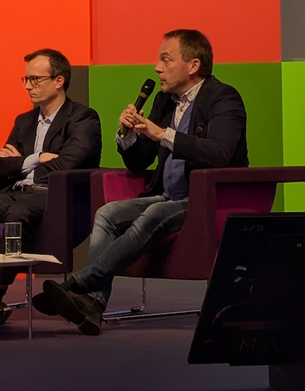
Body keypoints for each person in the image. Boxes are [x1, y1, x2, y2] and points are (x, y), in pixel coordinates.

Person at [33, 29, 248, 336]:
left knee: (153, 214)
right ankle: (92, 304)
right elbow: (140, 162)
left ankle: (79, 283)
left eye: (166, 60)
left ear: (193, 65)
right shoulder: (164, 101)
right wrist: (130, 136)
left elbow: (219, 153)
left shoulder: (223, 97)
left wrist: (163, 134)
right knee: (107, 213)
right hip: (167, 194)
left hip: (205, 198)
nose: (157, 68)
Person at [0, 48, 102, 326]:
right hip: (14, 193)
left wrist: (19, 164)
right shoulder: (24, 121)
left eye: (35, 79)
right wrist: (35, 159)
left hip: (52, 197)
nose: (28, 86)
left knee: (18, 214)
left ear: (59, 81)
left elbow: (68, 164)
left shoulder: (83, 118)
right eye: (25, 79)